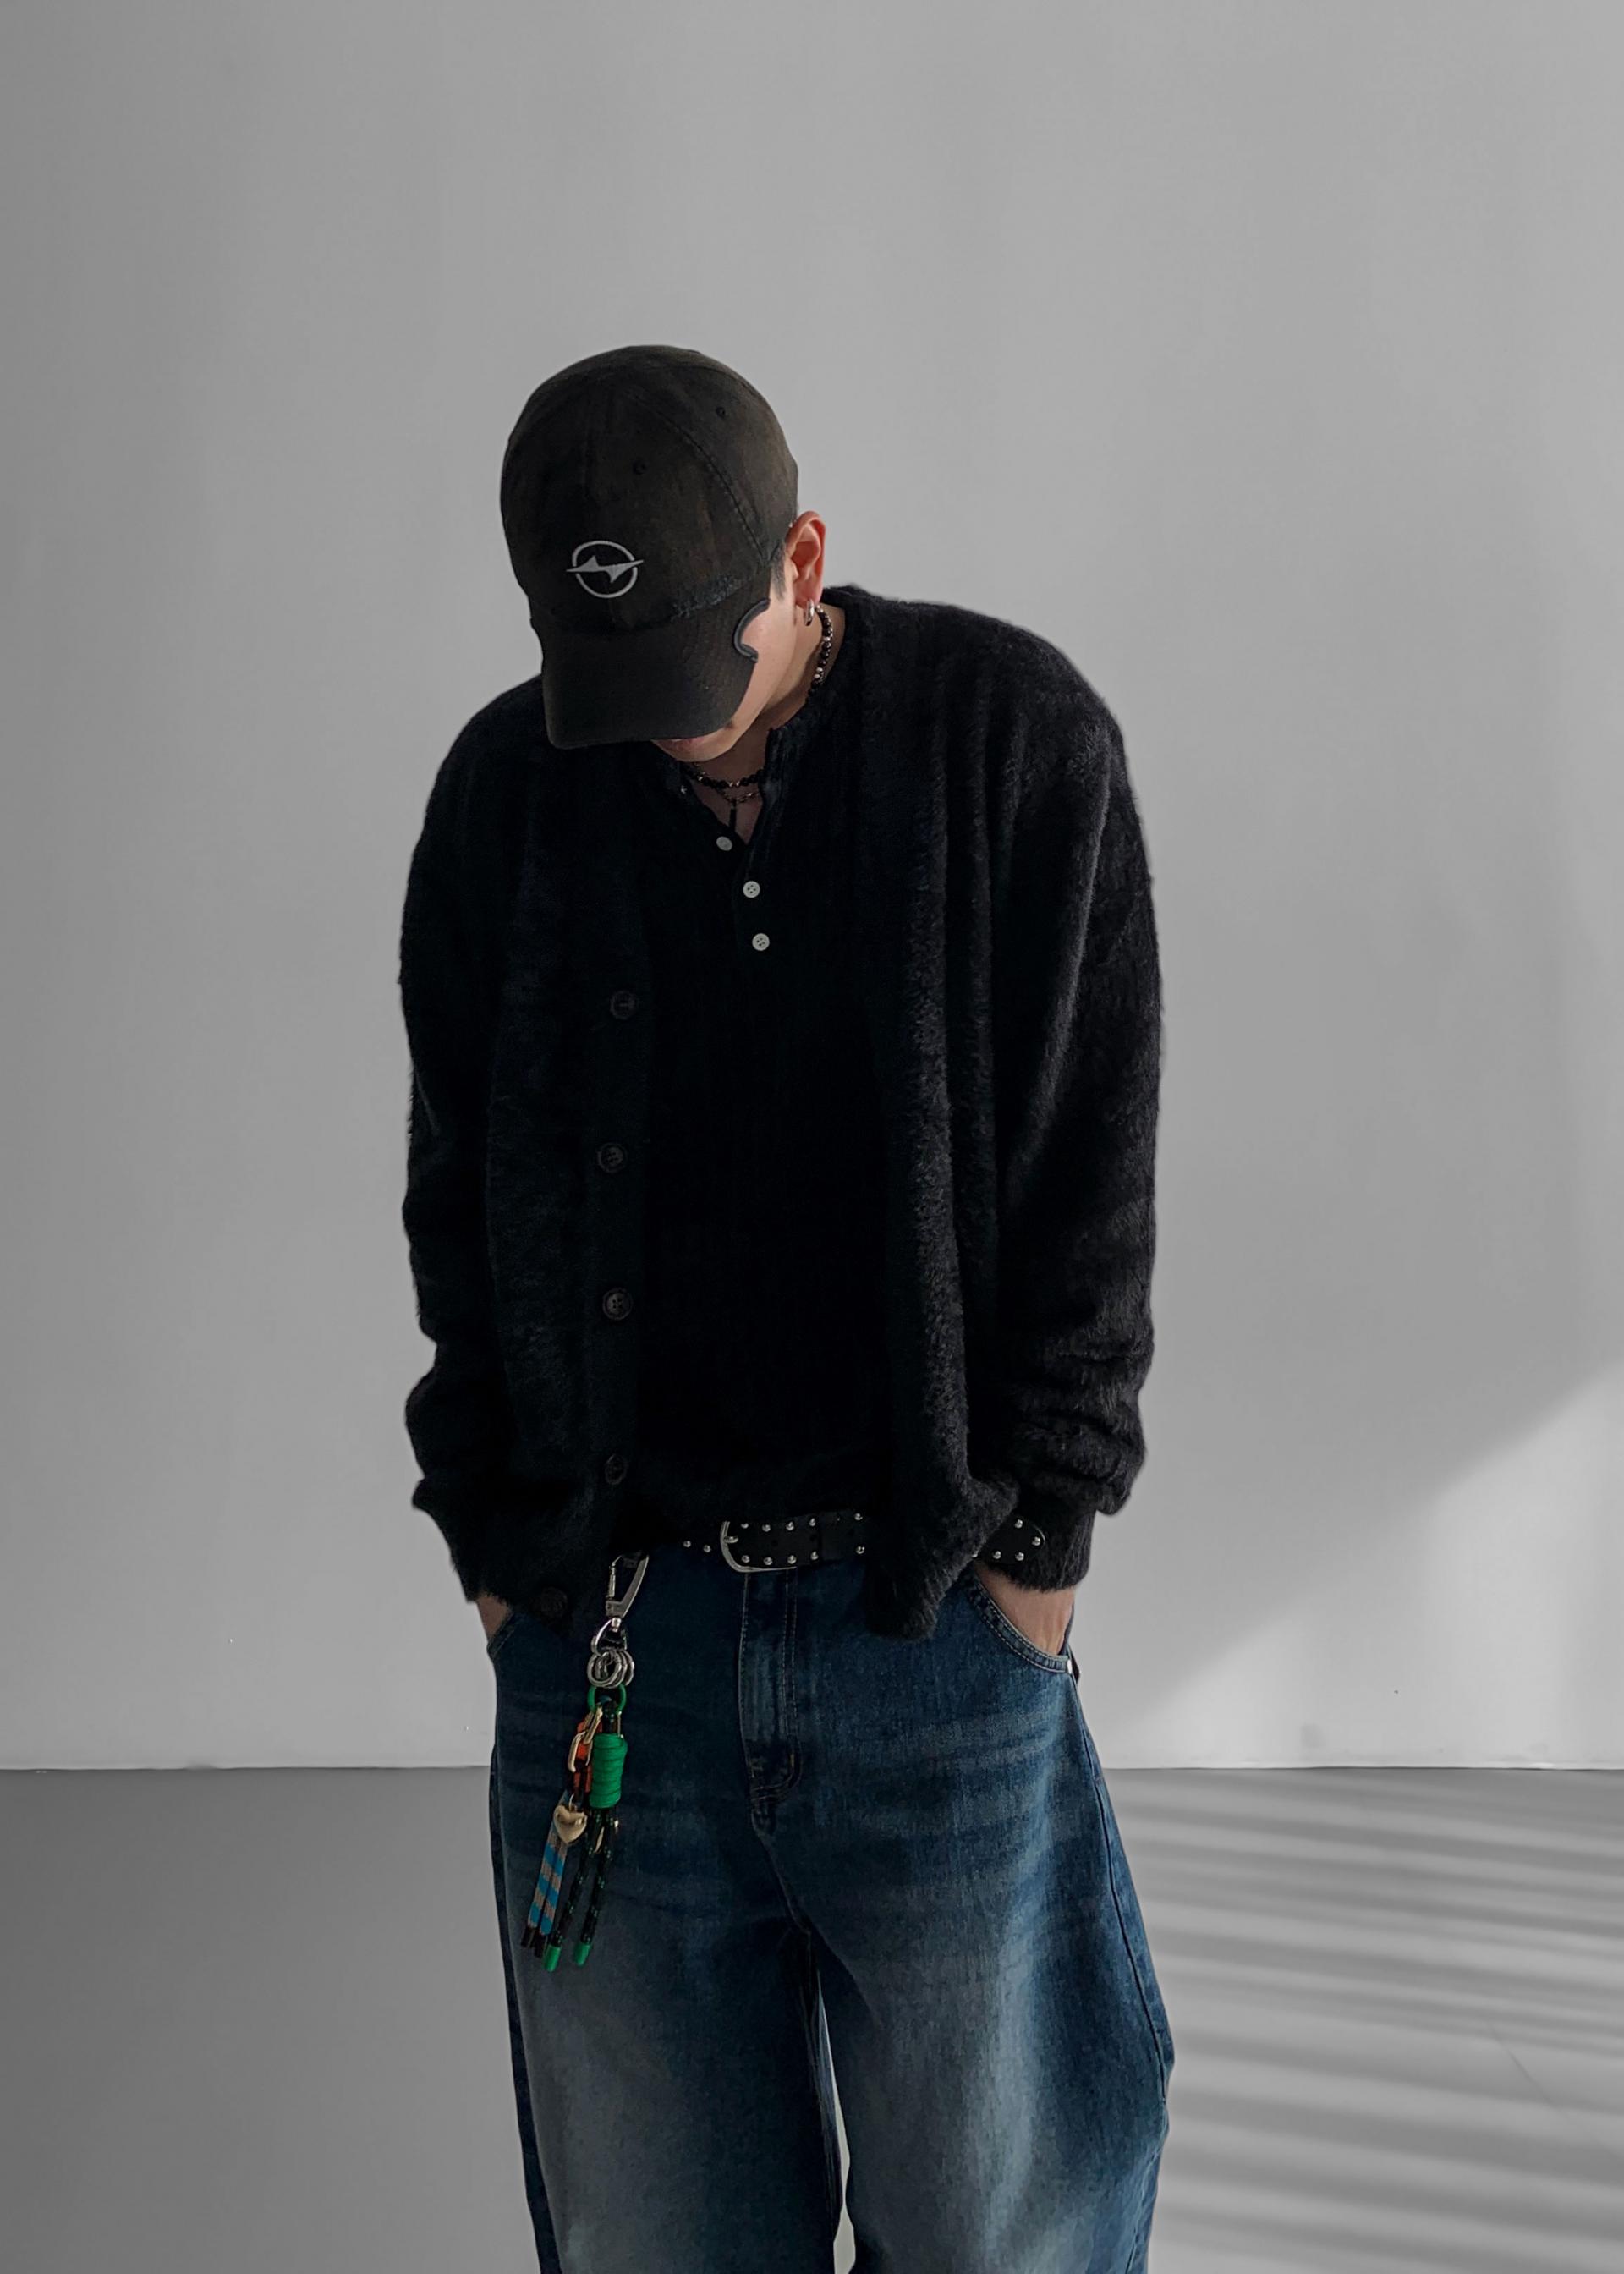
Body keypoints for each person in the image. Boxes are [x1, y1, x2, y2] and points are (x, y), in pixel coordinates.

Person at [398, 343, 1173, 2272]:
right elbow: (455, 1199)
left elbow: (1093, 1185)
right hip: (611, 1652)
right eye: (605, 678)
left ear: (802, 559)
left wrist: (1037, 1559)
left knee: (1006, 2237)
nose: (661, 732)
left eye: (694, 666)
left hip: (935, 1633)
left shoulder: (1015, 745)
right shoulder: (507, 795)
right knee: (654, 2241)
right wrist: (501, 1558)